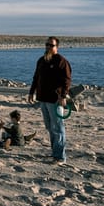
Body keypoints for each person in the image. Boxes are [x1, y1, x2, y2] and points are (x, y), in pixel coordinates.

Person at [28, 37, 72, 165]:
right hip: (43, 98)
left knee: (58, 127)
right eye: (46, 45)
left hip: (55, 100)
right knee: (50, 127)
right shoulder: (41, 60)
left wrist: (63, 96)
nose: (48, 47)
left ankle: (60, 157)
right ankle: (55, 153)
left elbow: (67, 80)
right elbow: (36, 77)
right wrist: (31, 92)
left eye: (51, 45)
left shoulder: (62, 61)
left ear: (56, 47)